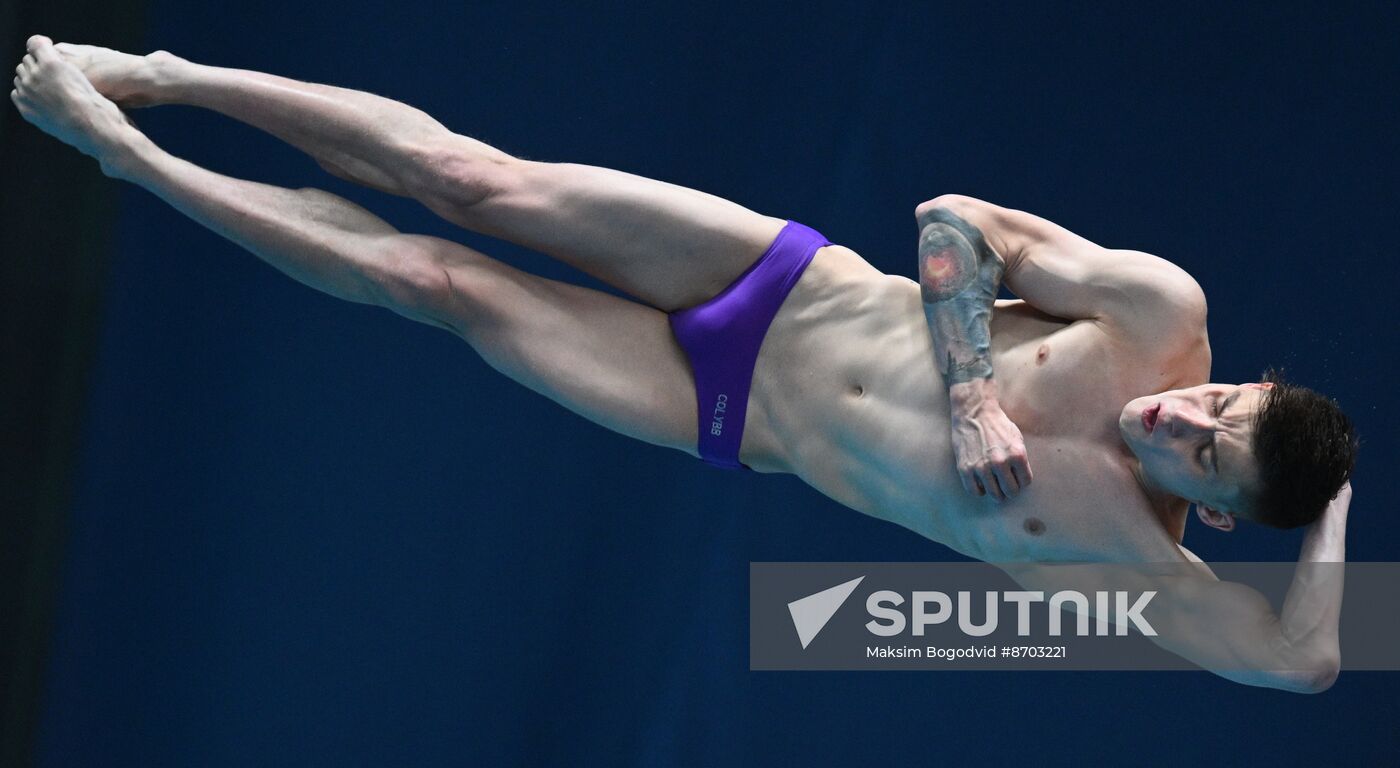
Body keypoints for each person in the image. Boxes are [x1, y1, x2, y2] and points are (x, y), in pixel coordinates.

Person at [12, 35, 1356, 692]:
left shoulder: (1145, 568)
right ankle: (164, 74)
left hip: (726, 414)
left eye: (1207, 449)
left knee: (431, 285)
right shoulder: (1153, 317)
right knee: (471, 181)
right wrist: (967, 386)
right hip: (780, 280)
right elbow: (960, 221)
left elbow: (1304, 664)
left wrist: (1334, 496)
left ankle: (123, 154)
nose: (1186, 411)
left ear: (1222, 512)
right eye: (1228, 399)